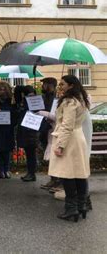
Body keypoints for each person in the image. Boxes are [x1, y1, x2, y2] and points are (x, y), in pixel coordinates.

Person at [48, 75, 90, 222]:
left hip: (69, 140)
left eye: (63, 84)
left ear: (71, 85)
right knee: (79, 174)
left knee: (67, 175)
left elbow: (67, 125)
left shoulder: (69, 102)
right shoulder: (80, 99)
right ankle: (81, 205)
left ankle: (71, 209)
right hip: (77, 138)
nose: (60, 86)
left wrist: (60, 145)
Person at [15, 85, 40, 182]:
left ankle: (32, 173)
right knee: (29, 153)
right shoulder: (22, 102)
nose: (31, 97)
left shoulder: (34, 102)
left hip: (31, 130)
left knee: (31, 153)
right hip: (25, 130)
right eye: (29, 95)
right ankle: (30, 172)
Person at [39, 78, 60, 190]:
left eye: (44, 84)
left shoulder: (57, 98)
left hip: (53, 129)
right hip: (44, 129)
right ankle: (53, 178)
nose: (42, 86)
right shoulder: (44, 97)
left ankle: (57, 180)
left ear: (50, 85)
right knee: (48, 155)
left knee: (54, 156)